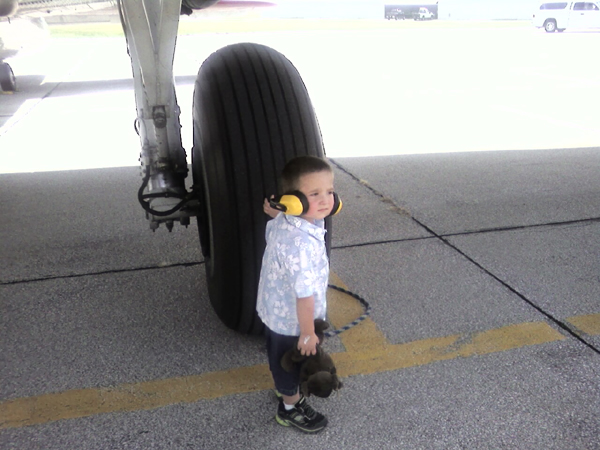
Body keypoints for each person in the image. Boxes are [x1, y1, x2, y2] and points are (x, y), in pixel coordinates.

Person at [257, 155, 336, 433]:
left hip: (275, 311)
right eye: (314, 194)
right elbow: (304, 296)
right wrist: (306, 333)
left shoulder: (289, 219)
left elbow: (280, 223)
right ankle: (289, 407)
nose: (326, 200)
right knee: (290, 362)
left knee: (279, 355)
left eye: (329, 191)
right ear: (294, 200)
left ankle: (284, 388)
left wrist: (277, 213)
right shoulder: (299, 246)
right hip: (292, 320)